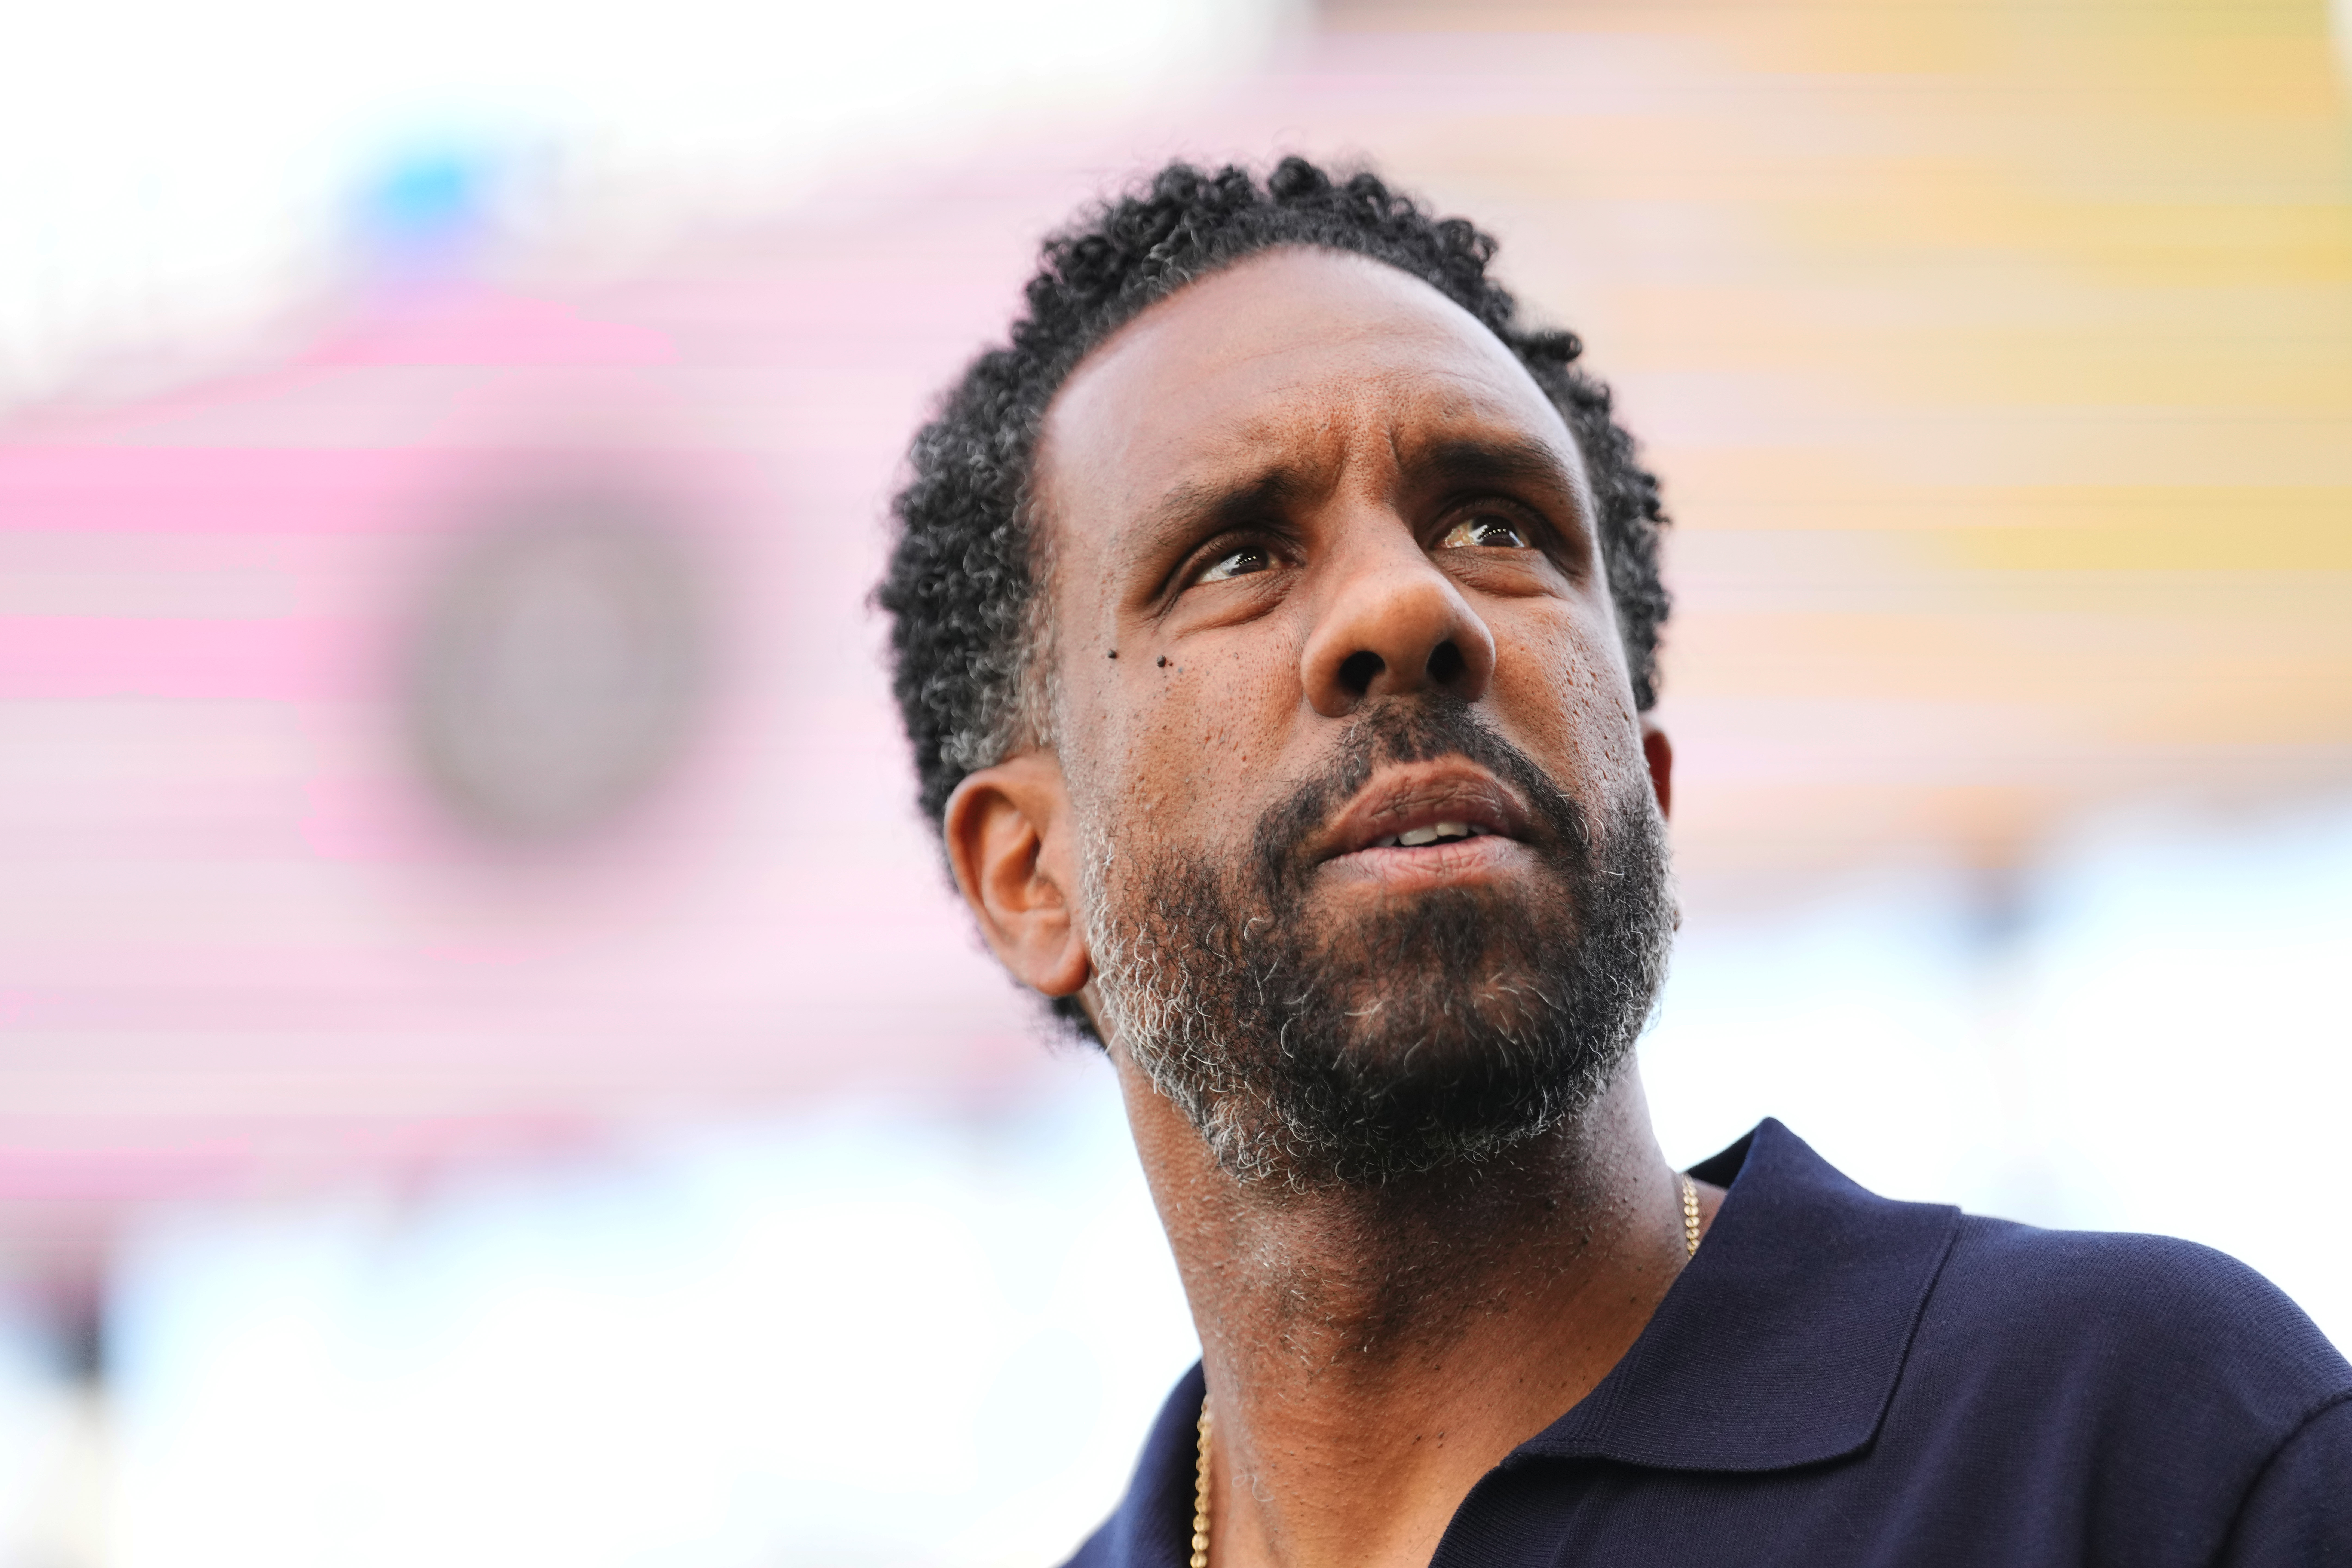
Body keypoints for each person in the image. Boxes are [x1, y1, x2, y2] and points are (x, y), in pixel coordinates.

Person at [877, 158, 2352, 1568]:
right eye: (1236, 555)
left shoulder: (2136, 1434)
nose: (1409, 604)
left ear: (1641, 784)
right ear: (1028, 875)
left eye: (1495, 523)